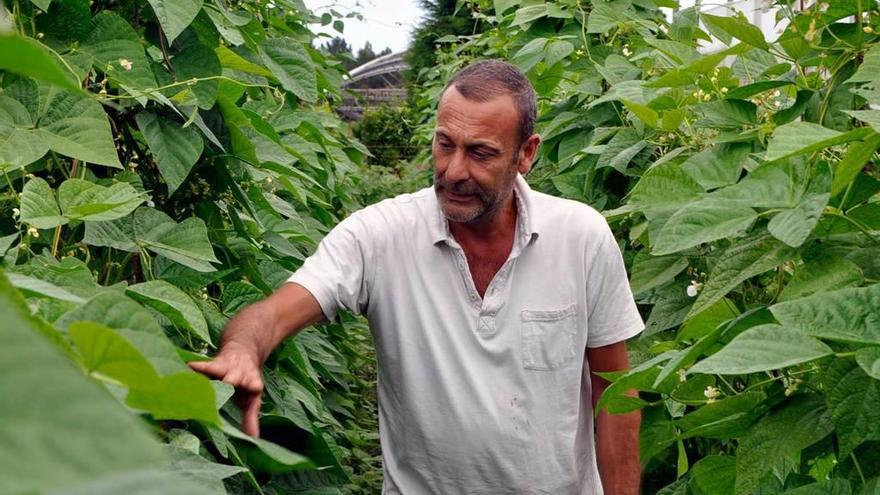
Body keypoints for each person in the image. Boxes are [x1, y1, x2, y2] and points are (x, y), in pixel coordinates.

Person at [190, 59, 644, 495]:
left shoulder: (581, 238)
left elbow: (615, 398)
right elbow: (275, 312)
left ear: (526, 154)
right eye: (445, 144)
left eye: (481, 153)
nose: (453, 170)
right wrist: (242, 349)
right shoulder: (379, 236)